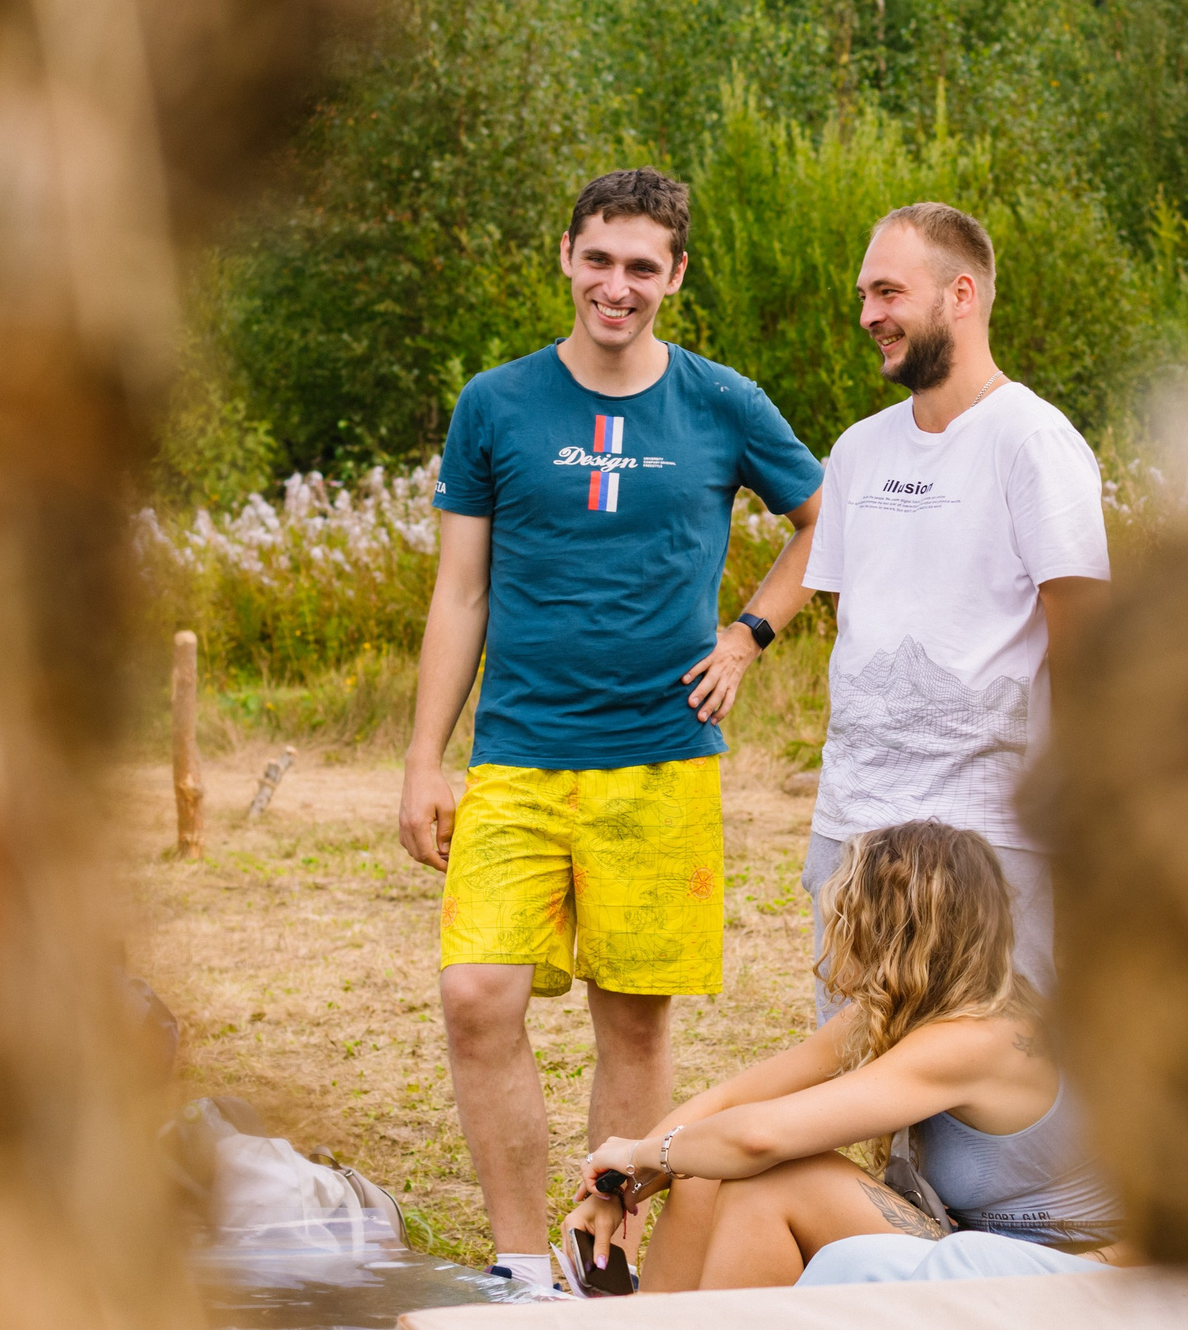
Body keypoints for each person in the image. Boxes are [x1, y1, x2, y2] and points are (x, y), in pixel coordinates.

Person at [399, 167, 826, 1294]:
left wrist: (748, 635)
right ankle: (516, 1266)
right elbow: (460, 593)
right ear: (566, 256)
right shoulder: (496, 403)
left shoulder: (723, 402)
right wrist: (423, 759)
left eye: (642, 266)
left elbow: (825, 523)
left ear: (676, 275)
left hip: (661, 760)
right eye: (599, 259)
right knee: (475, 995)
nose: (617, 285)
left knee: (632, 1027)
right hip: (517, 754)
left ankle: (601, 1261)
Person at [560, 821, 1123, 1292]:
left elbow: (758, 1137)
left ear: (889, 933)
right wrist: (619, 1186)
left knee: (766, 1180)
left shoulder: (976, 1038)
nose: (835, 936)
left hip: (1069, 1276)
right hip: (987, 1254)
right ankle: (649, 1318)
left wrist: (640, 1153)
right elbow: (733, 1101)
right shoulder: (917, 1009)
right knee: (706, 1161)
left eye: (846, 917)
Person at [799, 203, 1110, 1008]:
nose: (868, 315)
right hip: (852, 831)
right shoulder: (858, 450)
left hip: (989, 839)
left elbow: (1084, 643)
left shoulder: (1032, 441)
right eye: (865, 296)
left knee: (992, 1072)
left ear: (961, 294)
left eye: (889, 292)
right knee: (850, 1069)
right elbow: (862, 627)